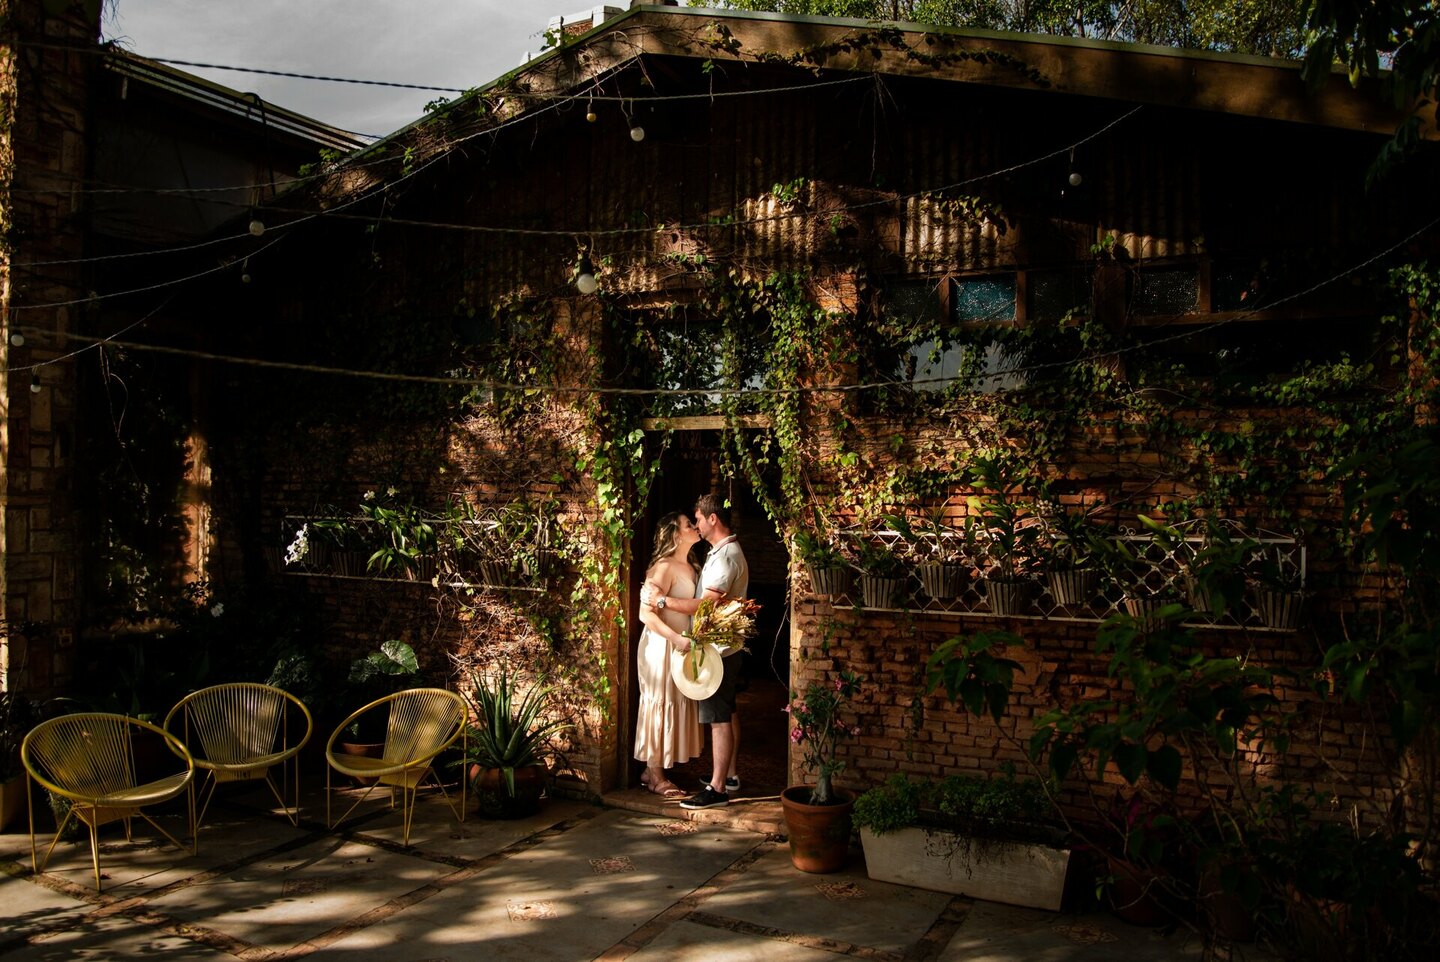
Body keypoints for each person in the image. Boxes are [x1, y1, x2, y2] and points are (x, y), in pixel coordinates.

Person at [644, 493, 749, 810]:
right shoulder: (718, 552)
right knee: (726, 712)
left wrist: (662, 602)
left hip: (718, 650)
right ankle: (726, 776)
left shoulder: (727, 556)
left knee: (718, 718)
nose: (698, 526)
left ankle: (717, 790)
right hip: (719, 647)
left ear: (712, 519)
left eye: (699, 520)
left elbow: (706, 604)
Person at [633, 511, 705, 797]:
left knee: (676, 701)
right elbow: (644, 613)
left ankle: (654, 769)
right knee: (658, 704)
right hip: (662, 646)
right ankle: (654, 774)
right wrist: (675, 638)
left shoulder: (691, 565)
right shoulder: (663, 567)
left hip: (682, 645)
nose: (695, 527)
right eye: (689, 524)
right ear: (676, 534)